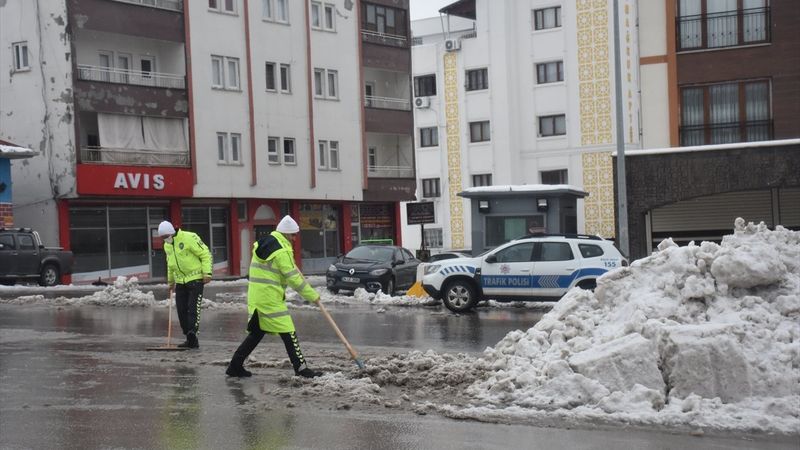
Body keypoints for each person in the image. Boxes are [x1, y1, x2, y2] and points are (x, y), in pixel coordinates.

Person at [226, 215, 323, 378]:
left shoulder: (266, 244)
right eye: (293, 235)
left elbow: (278, 273)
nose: (294, 239)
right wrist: (313, 296)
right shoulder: (282, 251)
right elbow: (293, 278)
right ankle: (301, 368)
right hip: (270, 299)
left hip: (258, 297)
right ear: (286, 234)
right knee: (288, 331)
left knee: (256, 333)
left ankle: (235, 365)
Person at [158, 220, 212, 349]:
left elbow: (205, 253)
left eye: (166, 237)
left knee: (192, 308)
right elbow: (170, 264)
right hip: (180, 281)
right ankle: (190, 339)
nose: (165, 239)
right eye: (162, 238)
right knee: (182, 310)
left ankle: (192, 333)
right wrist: (171, 281)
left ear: (172, 233)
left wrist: (207, 273)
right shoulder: (167, 246)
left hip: (196, 279)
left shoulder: (189, 237)